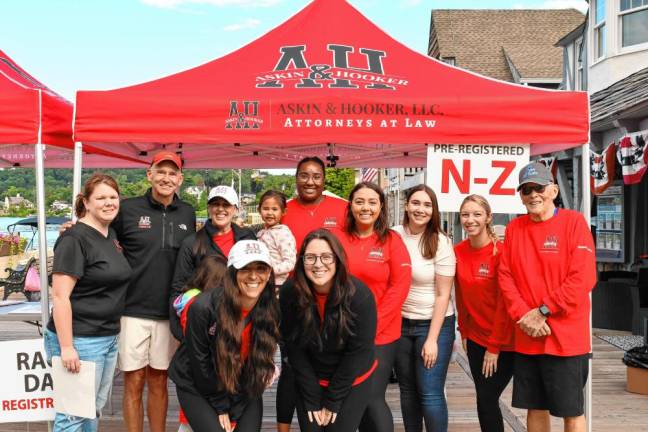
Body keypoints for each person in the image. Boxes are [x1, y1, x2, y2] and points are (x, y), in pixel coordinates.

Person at [498, 162, 596, 432]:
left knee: (571, 411)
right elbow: (505, 277)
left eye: (538, 188)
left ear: (553, 190)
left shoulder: (574, 223)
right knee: (535, 407)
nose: (532, 195)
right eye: (526, 190)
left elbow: (583, 278)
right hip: (528, 336)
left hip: (566, 340)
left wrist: (542, 311)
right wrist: (523, 314)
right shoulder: (514, 228)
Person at [112, 151, 196, 432]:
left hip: (168, 311)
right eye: (161, 171)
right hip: (131, 309)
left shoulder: (187, 212)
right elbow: (98, 233)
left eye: (173, 173)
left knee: (160, 381)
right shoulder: (127, 209)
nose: (166, 178)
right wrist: (73, 227)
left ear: (180, 179)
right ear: (149, 174)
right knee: (133, 381)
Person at [44, 174, 132, 431]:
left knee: (92, 408)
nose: (108, 203)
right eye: (101, 198)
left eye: (113, 197)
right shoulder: (75, 239)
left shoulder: (110, 234)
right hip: (81, 339)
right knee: (72, 416)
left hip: (107, 336)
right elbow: (60, 297)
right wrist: (67, 346)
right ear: (86, 202)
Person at [168, 240, 280, 432]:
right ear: (232, 273)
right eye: (245, 268)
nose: (254, 276)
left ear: (269, 273)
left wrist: (235, 407)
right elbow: (200, 363)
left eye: (261, 268)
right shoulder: (203, 307)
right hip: (198, 380)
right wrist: (221, 407)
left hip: (242, 380)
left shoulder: (270, 308)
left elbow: (260, 359)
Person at [280, 229, 378, 432]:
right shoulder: (290, 291)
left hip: (351, 376)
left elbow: (358, 352)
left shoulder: (360, 296)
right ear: (301, 261)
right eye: (310, 257)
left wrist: (333, 400)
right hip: (311, 374)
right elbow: (293, 346)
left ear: (338, 259)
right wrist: (312, 395)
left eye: (326, 257)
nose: (318, 264)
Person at [276, 156, 347, 432]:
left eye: (316, 176)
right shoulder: (284, 210)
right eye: (304, 175)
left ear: (324, 180)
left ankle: (329, 419)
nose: (310, 181)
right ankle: (284, 426)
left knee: (326, 365)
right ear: (296, 178)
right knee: (291, 365)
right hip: (293, 302)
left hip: (333, 303)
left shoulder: (342, 208)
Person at [334, 181, 412, 432]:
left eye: (372, 202)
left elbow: (399, 287)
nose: (365, 207)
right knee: (349, 397)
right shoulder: (336, 239)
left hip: (381, 334)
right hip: (342, 331)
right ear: (350, 206)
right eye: (359, 201)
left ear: (381, 207)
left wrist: (372, 325)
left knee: (370, 397)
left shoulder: (391, 240)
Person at [391, 184, 456, 432]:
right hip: (400, 323)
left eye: (427, 205)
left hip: (434, 323)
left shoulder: (440, 242)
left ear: (434, 210)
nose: (421, 209)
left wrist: (432, 340)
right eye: (416, 203)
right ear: (406, 206)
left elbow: (443, 295)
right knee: (407, 392)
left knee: (429, 392)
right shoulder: (393, 235)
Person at [454, 194, 515, 432]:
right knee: (483, 399)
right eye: (465, 215)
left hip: (506, 341)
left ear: (488, 217)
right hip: (476, 338)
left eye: (477, 214)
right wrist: (465, 332)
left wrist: (494, 347)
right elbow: (460, 297)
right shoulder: (458, 251)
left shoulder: (501, 252)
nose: (470, 220)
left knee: (488, 397)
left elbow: (504, 303)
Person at [170, 185, 256, 340]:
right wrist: (181, 332)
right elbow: (179, 287)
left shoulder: (247, 237)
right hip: (207, 323)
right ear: (209, 208)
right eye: (216, 204)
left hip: (242, 318)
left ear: (235, 209)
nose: (220, 209)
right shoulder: (192, 243)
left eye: (226, 205)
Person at [173, 256, 228, 432]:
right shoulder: (202, 305)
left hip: (188, 363)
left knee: (189, 418)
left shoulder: (187, 298)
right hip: (199, 365)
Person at [256, 190, 297, 286]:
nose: (270, 213)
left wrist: (268, 271)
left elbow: (290, 263)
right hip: (261, 283)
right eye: (266, 209)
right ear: (259, 210)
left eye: (274, 209)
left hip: (277, 284)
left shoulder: (283, 233)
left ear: (283, 212)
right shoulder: (260, 233)